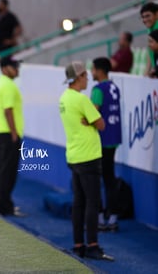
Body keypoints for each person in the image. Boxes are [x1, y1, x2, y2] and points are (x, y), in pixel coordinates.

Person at [59, 61, 114, 261]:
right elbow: (101, 124)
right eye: (85, 75)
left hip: (74, 156)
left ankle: (78, 244)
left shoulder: (64, 98)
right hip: (89, 156)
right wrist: (92, 119)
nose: (88, 78)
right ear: (79, 77)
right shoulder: (81, 100)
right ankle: (92, 245)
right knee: (92, 203)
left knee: (79, 203)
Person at [90, 57, 122, 232]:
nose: (92, 73)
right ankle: (113, 217)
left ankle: (102, 217)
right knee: (110, 177)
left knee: (99, 178)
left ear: (100, 70)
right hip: (114, 137)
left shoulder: (98, 89)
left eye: (93, 70)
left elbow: (94, 114)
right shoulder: (114, 87)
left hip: (102, 139)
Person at [0, 56, 24, 217]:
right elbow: (8, 110)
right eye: (14, 66)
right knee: (8, 171)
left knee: (2, 170)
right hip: (8, 134)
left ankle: (0, 204)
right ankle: (5, 206)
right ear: (4, 68)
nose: (17, 69)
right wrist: (14, 133)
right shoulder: (9, 85)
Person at [140, 2, 158, 75]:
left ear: (157, 14)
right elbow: (150, 51)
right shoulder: (150, 28)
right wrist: (147, 71)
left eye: (148, 16)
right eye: (143, 17)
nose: (145, 20)